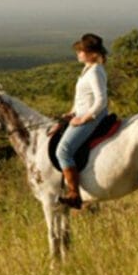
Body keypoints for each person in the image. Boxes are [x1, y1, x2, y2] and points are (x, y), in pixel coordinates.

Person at [56, 33, 109, 209]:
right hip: (82, 113)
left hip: (92, 116)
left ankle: (74, 194)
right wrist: (72, 112)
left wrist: (84, 118)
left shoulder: (95, 71)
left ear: (92, 54)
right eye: (78, 50)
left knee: (63, 151)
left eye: (81, 50)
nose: (78, 53)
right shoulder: (87, 68)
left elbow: (101, 100)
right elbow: (82, 97)